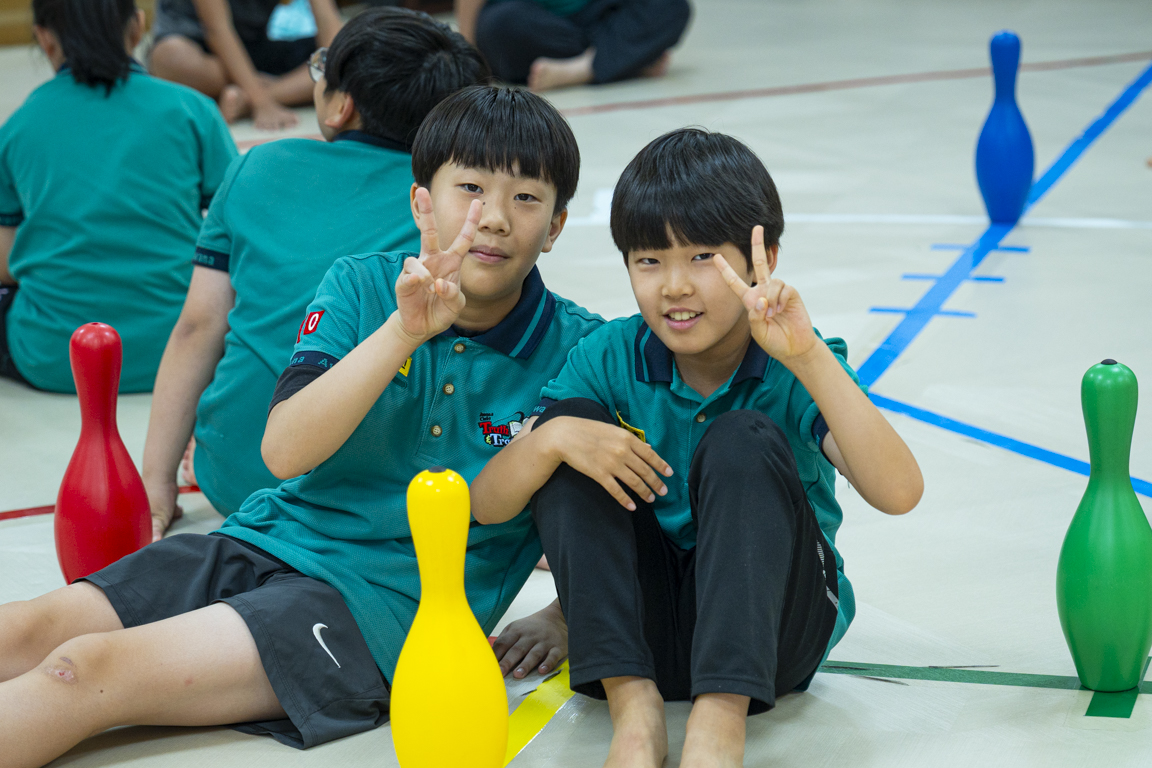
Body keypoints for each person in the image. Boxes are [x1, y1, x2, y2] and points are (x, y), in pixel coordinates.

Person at [0, 84, 598, 768]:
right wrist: (403, 331)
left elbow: (632, 508)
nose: (492, 218)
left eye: (526, 198)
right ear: (420, 203)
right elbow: (285, 453)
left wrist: (562, 616)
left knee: (82, 671)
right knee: (32, 628)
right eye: (470, 188)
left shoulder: (582, 351)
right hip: (266, 539)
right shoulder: (361, 286)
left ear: (556, 226)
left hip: (376, 612)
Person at [470, 128, 924, 768]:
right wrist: (554, 440)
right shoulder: (608, 357)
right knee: (567, 435)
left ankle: (718, 724)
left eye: (702, 257)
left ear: (762, 258)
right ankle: (635, 713)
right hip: (645, 638)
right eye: (649, 261)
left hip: (775, 636)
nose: (674, 286)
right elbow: (487, 506)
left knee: (741, 439)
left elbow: (899, 492)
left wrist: (809, 358)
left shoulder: (794, 362)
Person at [142, 7, 489, 542]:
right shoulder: (462, 207)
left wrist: (156, 482)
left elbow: (197, 327)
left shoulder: (257, 165)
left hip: (237, 474)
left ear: (340, 105)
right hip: (389, 497)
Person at [0, 0, 236, 393]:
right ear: (137, 26)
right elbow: (243, 229)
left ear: (44, 38)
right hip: (185, 352)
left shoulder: (18, 128)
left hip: (54, 358)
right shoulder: (193, 109)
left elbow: (5, 263)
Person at [149, 0, 343, 129]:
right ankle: (273, 89)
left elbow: (328, 22)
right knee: (169, 57)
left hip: (254, 49)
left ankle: (246, 99)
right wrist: (260, 103)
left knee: (346, 54)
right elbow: (217, 28)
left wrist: (335, 72)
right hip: (200, 50)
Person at [456, 0, 691, 92]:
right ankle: (625, 60)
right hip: (535, 19)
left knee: (671, 6)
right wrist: (471, 63)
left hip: (599, 14)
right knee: (498, 26)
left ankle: (582, 69)